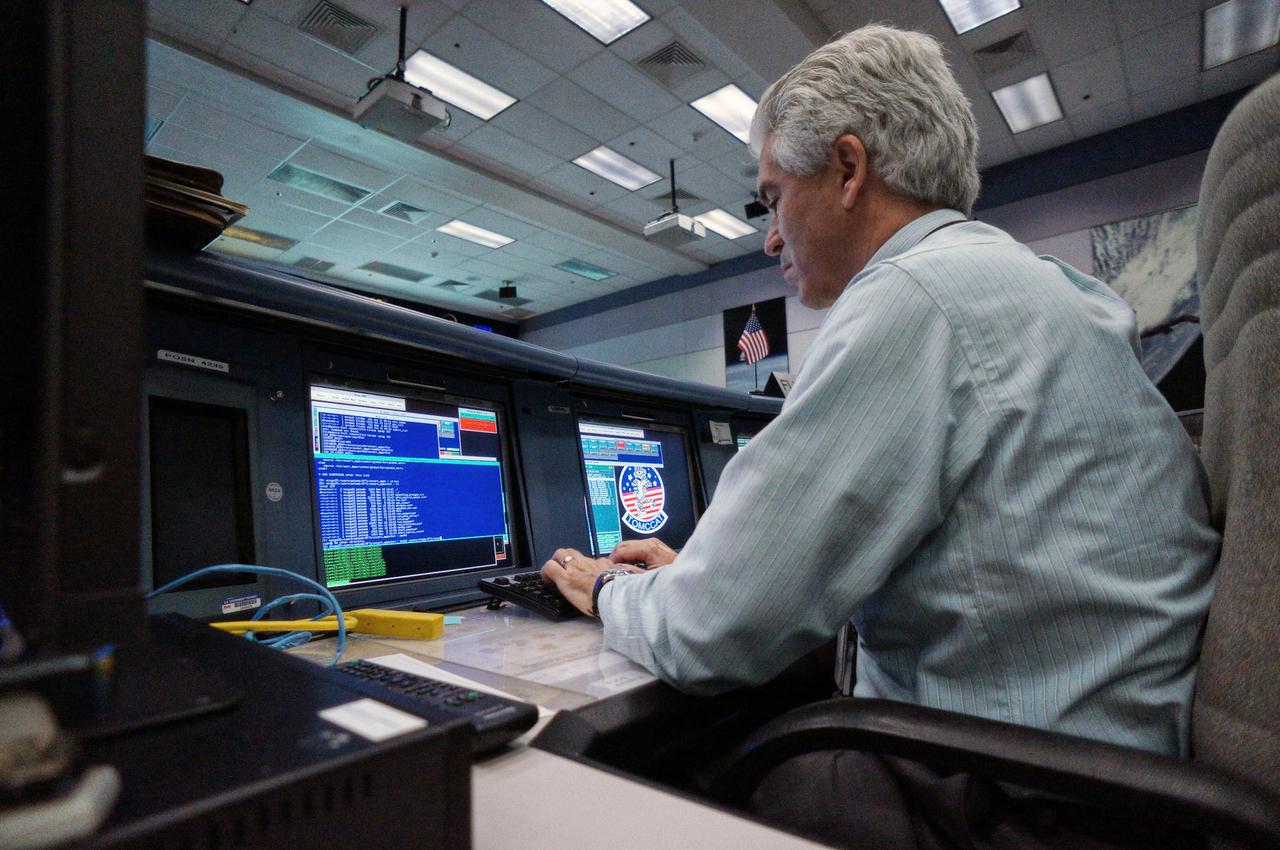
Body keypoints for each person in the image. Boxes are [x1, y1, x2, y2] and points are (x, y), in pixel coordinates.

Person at [541, 24, 1218, 765]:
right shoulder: (1048, 286)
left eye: (773, 199)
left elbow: (709, 636)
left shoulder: (912, 298)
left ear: (848, 169)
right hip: (1117, 766)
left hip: (1016, 794)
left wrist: (610, 590)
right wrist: (700, 580)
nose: (770, 238)